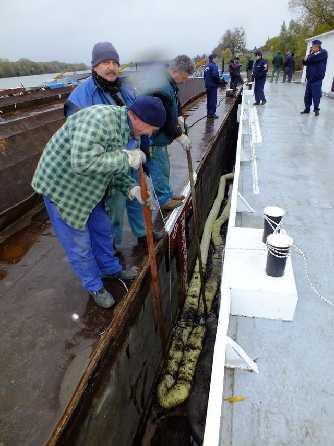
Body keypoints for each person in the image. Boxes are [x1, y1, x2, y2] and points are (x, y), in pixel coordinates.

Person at [31, 96, 166, 309]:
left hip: (90, 188)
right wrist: (125, 158)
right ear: (138, 118)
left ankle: (110, 269)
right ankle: (94, 285)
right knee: (80, 244)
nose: (150, 133)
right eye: (151, 128)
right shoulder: (97, 120)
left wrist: (132, 189)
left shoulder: (129, 131)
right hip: (63, 188)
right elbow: (82, 161)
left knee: (103, 230)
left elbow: (114, 166)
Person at [64, 41, 157, 249]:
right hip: (108, 162)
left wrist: (144, 151)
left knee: (137, 196)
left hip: (132, 155)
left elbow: (138, 118)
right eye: (105, 62)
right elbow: (77, 141)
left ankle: (143, 232)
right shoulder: (80, 97)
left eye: (115, 62)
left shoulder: (124, 88)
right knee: (113, 208)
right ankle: (112, 247)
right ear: (94, 65)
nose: (111, 67)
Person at [138, 55, 195, 211]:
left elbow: (174, 104)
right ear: (175, 71)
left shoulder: (168, 83)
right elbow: (164, 118)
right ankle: (163, 200)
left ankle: (167, 194)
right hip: (153, 138)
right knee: (158, 166)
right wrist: (179, 134)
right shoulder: (162, 87)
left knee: (164, 166)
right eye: (183, 77)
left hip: (159, 137)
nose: (184, 81)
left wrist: (179, 115)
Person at [301, 39, 328, 116]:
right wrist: (305, 59)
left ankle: (316, 109)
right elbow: (304, 62)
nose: (312, 48)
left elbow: (314, 58)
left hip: (317, 79)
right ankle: (307, 109)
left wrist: (309, 57)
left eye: (313, 46)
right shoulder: (312, 54)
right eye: (312, 46)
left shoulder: (323, 53)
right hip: (309, 78)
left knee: (316, 95)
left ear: (318, 46)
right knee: (307, 95)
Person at [204, 54, 220, 119]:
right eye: (216, 58)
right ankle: (212, 113)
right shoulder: (214, 66)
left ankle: (208, 113)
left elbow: (204, 76)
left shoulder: (207, 66)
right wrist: (218, 82)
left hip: (207, 85)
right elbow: (215, 75)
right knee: (213, 100)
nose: (217, 59)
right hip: (213, 85)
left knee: (209, 99)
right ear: (213, 58)